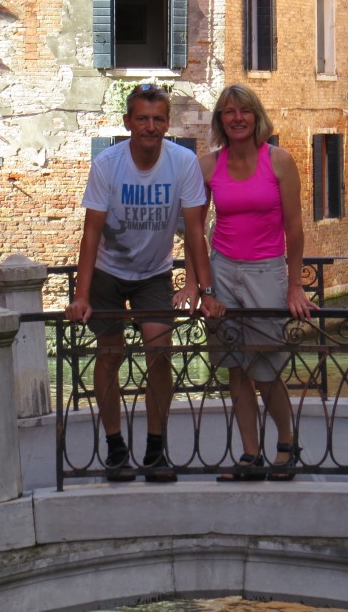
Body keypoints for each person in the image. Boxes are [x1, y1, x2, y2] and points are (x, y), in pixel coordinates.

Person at [65, 83, 225, 482]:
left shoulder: (183, 163)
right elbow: (91, 233)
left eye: (157, 119)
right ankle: (115, 447)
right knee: (110, 355)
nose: (150, 127)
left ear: (167, 123)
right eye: (142, 119)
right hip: (107, 273)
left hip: (153, 273)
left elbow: (194, 232)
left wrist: (202, 289)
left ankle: (155, 448)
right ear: (128, 122)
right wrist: (81, 295)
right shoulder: (107, 164)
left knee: (160, 351)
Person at [181, 84, 319, 482]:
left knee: (265, 367)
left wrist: (294, 285)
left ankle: (287, 444)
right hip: (223, 270)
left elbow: (294, 227)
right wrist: (196, 284)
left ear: (256, 116)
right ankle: (250, 454)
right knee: (235, 368)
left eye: (244, 111)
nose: (237, 118)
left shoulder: (279, 161)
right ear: (220, 120)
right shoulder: (208, 166)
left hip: (266, 271)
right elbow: (194, 231)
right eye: (229, 111)